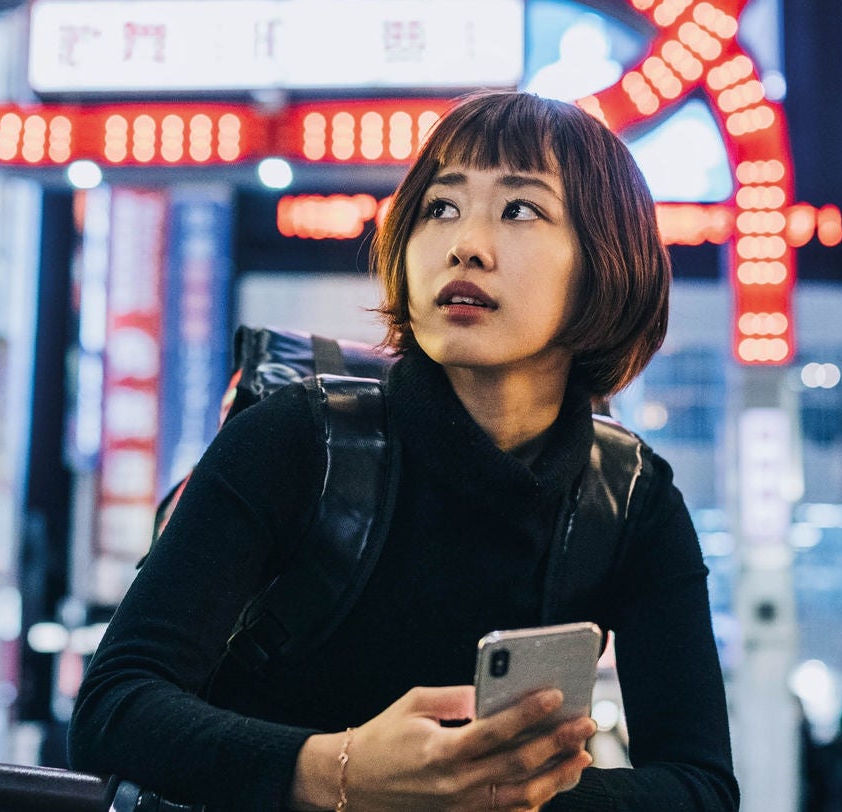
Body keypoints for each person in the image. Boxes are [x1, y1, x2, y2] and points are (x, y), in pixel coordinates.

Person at [70, 91, 736, 811]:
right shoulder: (298, 440)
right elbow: (115, 708)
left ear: (607, 262)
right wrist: (337, 770)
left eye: (520, 210)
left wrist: (496, 794)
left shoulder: (632, 499)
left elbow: (699, 785)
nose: (465, 244)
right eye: (440, 208)